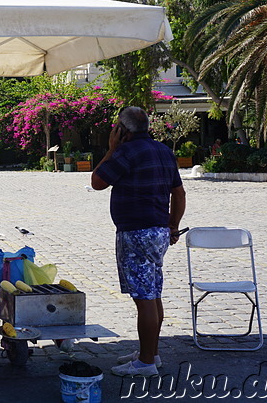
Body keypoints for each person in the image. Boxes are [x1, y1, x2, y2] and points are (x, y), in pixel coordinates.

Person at [90, 106, 186, 377]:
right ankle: (151, 353)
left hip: (136, 233)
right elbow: (179, 193)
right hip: (158, 232)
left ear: (122, 130)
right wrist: (173, 226)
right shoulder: (164, 151)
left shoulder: (126, 152)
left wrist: (110, 149)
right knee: (153, 294)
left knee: (144, 299)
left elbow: (97, 181)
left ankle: (145, 363)